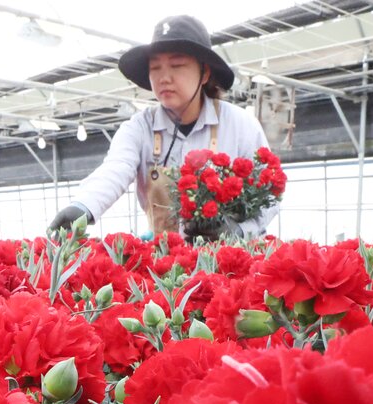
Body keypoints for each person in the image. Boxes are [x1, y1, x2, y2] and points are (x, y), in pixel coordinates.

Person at [46, 15, 279, 239]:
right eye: (155, 68)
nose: (163, 78)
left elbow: (271, 196)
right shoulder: (139, 128)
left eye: (177, 65)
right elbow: (115, 169)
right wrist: (83, 207)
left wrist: (239, 231)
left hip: (229, 264)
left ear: (205, 72)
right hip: (167, 268)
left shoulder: (240, 125)